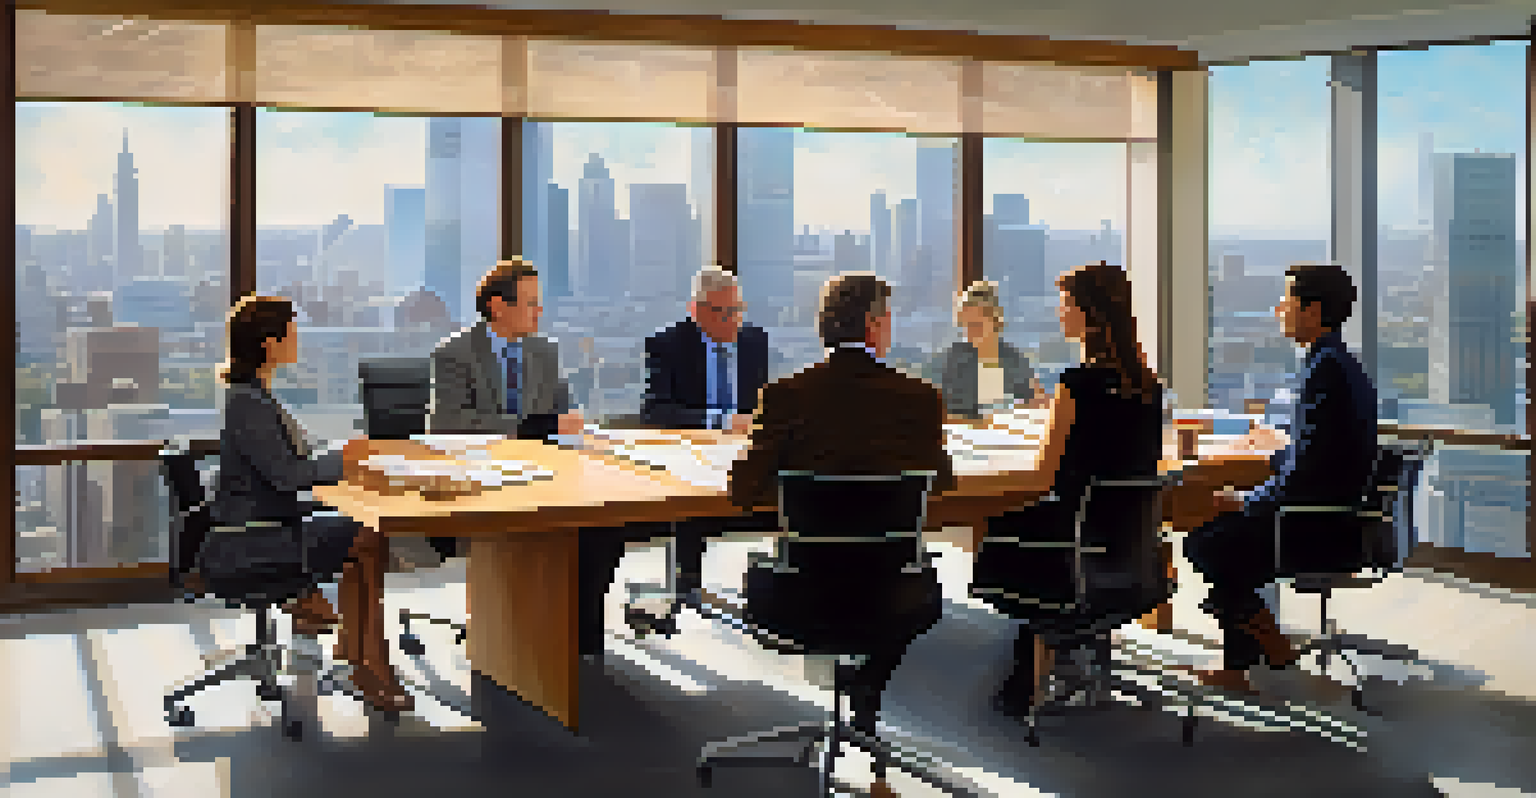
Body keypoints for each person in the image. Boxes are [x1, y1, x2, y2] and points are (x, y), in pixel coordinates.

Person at [728, 273, 954, 798]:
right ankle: (865, 691)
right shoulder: (919, 398)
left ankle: (858, 690)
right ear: (875, 327)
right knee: (885, 585)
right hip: (895, 592)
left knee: (814, 575)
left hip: (798, 595)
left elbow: (745, 490)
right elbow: (941, 481)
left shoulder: (785, 395)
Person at [973, 261, 1165, 720]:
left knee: (998, 522)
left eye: (1066, 304)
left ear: (1089, 314)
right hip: (1127, 549)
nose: (1060, 314)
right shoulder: (1148, 387)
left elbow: (1044, 479)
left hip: (1074, 544)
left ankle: (1039, 659)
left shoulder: (1076, 385)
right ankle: (1061, 650)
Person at [210, 295, 413, 714]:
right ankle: (364, 659)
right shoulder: (249, 403)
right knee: (366, 534)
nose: (297, 339)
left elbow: (293, 459)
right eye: (292, 331)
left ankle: (356, 652)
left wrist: (340, 453)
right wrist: (344, 460)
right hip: (256, 537)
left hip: (267, 520)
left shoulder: (255, 395)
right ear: (269, 341)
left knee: (362, 536)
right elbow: (287, 475)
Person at [1183, 262, 1377, 694]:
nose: (1279, 310)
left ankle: (1269, 642)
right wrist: (1274, 456)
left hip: (1315, 524)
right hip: (1333, 513)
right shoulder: (1338, 363)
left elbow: (1308, 472)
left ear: (1312, 310)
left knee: (1206, 543)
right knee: (1220, 542)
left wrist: (1247, 499)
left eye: (1287, 301)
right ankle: (1248, 652)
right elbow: (1317, 452)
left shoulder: (1324, 370)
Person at [626, 266, 774, 628]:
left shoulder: (755, 342)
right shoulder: (667, 344)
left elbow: (762, 404)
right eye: (721, 313)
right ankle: (686, 583)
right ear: (696, 311)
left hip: (744, 452)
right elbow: (655, 411)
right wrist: (720, 421)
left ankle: (782, 586)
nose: (731, 321)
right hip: (690, 453)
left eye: (737, 311)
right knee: (692, 500)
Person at [428, 259, 583, 440]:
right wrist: (532, 428)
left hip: (542, 460)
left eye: (539, 304)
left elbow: (565, 414)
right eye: (531, 304)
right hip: (480, 462)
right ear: (498, 307)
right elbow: (449, 423)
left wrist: (569, 421)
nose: (539, 312)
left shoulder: (546, 352)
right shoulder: (455, 354)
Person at [927, 280, 1039, 419]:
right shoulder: (952, 362)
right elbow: (944, 415)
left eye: (976, 325)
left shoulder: (1016, 362)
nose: (969, 334)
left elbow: (1026, 410)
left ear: (995, 321)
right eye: (965, 326)